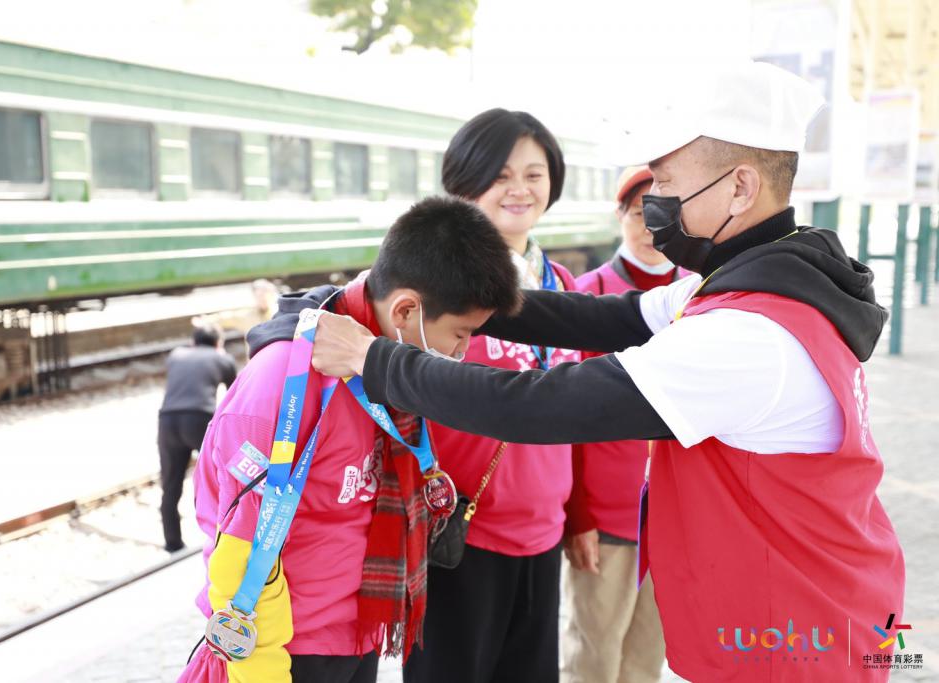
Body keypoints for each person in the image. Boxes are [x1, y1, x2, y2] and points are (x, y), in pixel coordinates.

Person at [308, 61, 905, 682]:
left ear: (740, 188)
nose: (657, 206)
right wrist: (443, 292)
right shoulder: (755, 283)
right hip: (797, 608)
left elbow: (538, 405)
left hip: (794, 639)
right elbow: (600, 318)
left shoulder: (750, 336)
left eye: (670, 185)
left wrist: (372, 357)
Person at [180, 196, 522, 683]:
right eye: (461, 334)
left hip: (355, 634)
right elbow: (234, 539)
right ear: (406, 310)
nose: (463, 353)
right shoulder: (283, 382)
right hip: (287, 649)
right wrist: (262, 669)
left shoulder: (388, 375)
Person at [402, 109, 579, 683]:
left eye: (534, 174)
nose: (520, 190)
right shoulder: (430, 285)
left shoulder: (562, 286)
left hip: (544, 532)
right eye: (500, 175)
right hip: (458, 535)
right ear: (463, 181)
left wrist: (586, 514)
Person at [561, 165, 685, 683]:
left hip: (675, 516)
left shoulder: (701, 297)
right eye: (640, 215)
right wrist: (579, 514)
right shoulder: (588, 296)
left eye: (666, 216)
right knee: (593, 656)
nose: (653, 229)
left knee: (645, 661)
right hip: (606, 518)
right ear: (619, 217)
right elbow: (566, 415)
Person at [158, 321, 237, 552]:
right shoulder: (223, 359)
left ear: (193, 342)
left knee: (170, 484)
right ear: (218, 343)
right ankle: (221, 535)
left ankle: (173, 543)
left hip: (168, 420)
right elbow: (235, 395)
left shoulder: (176, 355)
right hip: (201, 419)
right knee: (219, 478)